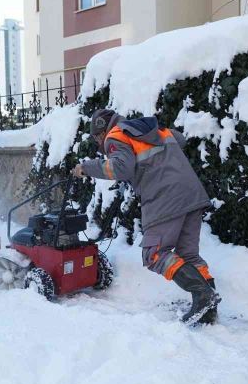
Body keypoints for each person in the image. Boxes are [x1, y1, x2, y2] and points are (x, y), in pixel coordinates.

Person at [72, 109, 221, 325]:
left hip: (165, 197)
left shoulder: (116, 136)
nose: (99, 142)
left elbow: (121, 168)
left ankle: (203, 296)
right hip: (191, 192)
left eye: (97, 137)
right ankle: (208, 308)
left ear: (101, 131)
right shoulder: (148, 128)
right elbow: (179, 139)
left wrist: (86, 168)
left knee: (153, 254)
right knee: (189, 255)